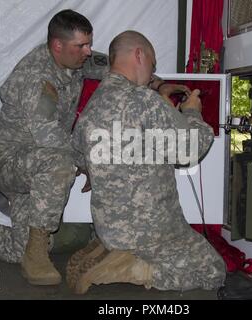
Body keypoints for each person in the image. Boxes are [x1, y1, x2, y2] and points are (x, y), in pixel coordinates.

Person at [0, 9, 111, 286]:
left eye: (89, 44)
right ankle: (37, 251)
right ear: (57, 45)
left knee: (19, 249)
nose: (88, 51)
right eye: (82, 46)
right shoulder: (35, 77)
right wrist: (87, 162)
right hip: (10, 160)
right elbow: (49, 137)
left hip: (39, 164)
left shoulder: (72, 58)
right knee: (60, 163)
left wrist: (150, 79)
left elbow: (111, 64)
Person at [70, 30, 226, 294]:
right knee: (213, 271)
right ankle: (133, 269)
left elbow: (77, 154)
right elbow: (190, 150)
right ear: (139, 55)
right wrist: (192, 113)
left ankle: (109, 247)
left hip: (109, 226)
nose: (152, 71)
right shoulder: (144, 102)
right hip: (153, 231)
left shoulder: (92, 106)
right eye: (152, 64)